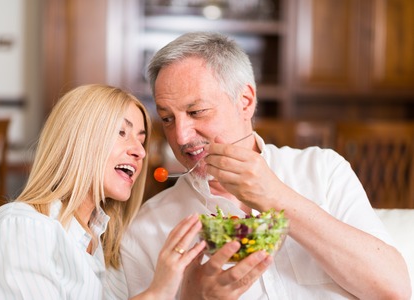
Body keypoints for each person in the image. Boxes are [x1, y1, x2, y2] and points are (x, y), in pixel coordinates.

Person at [120, 32, 412, 299]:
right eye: (168, 118)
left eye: (197, 111)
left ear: (245, 101)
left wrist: (277, 197)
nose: (180, 136)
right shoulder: (147, 229)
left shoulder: (324, 171)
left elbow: (394, 290)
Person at [0, 84, 205, 299]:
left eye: (141, 140)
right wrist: (157, 293)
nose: (140, 152)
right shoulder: (22, 228)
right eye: (121, 133)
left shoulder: (107, 251)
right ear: (78, 139)